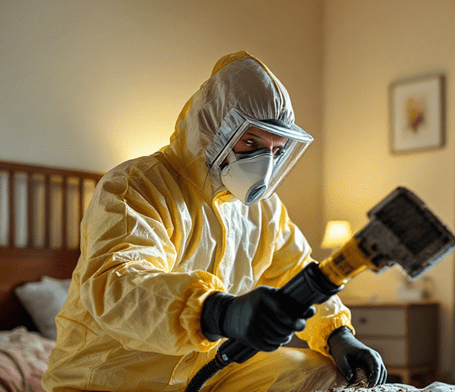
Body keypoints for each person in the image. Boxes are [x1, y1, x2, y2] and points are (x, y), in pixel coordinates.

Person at [42, 51, 387, 392]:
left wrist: (337, 333)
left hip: (210, 373)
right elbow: (117, 285)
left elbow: (296, 273)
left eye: (276, 149)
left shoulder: (263, 210)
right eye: (251, 142)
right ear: (213, 129)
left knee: (324, 379)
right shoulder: (137, 186)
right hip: (111, 378)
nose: (263, 164)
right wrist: (218, 312)